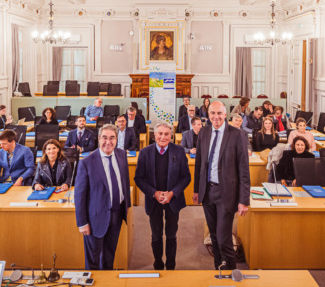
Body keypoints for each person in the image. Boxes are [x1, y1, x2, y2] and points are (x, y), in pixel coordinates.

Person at [193, 101, 250, 270]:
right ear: (208, 115)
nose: (216, 117)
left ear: (225, 115)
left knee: (224, 238)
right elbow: (199, 165)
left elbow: (244, 170)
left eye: (219, 113)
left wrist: (244, 200)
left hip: (227, 193)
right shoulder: (203, 132)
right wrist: (197, 189)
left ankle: (230, 273)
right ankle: (219, 269)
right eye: (212, 113)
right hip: (208, 192)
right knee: (214, 237)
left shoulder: (236, 134)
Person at [135, 122, 191, 270]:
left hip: (173, 200)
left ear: (171, 136)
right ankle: (158, 263)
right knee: (156, 235)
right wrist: (154, 193)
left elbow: (186, 177)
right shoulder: (145, 152)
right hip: (154, 201)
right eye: (160, 134)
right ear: (155, 135)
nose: (163, 137)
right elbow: (139, 178)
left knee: (171, 235)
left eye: (166, 134)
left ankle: (171, 265)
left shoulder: (178, 151)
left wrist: (172, 193)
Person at [75, 124, 132, 270]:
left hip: (117, 214)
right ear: (99, 139)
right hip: (95, 219)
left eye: (112, 138)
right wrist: (82, 222)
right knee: (93, 260)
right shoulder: (87, 163)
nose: (108, 142)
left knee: (109, 256)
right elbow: (79, 196)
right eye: (104, 138)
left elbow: (124, 182)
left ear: (117, 139)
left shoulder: (121, 154)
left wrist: (127, 208)